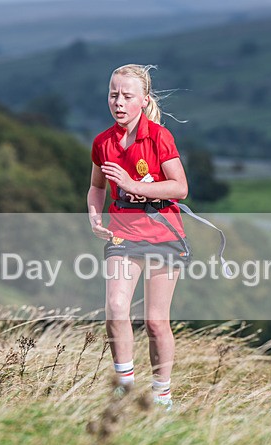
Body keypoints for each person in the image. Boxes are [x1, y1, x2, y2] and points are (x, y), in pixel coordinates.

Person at [87, 64, 190, 411]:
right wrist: (93, 213)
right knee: (115, 307)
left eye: (127, 96)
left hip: (164, 234)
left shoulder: (160, 137)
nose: (118, 102)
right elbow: (96, 187)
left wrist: (133, 186)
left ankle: (162, 395)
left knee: (156, 322)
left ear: (143, 101)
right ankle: (124, 387)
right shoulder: (102, 143)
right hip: (122, 234)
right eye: (113, 94)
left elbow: (181, 187)